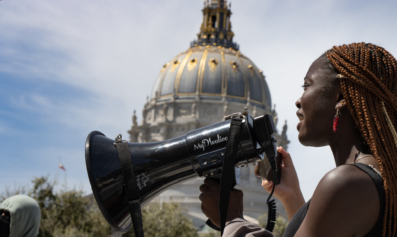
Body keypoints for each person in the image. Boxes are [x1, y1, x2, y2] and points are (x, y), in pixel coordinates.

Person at [199, 42, 397, 236]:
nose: (298, 100)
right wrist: (291, 196)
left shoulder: (346, 183)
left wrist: (231, 219)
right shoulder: (374, 180)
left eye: (306, 86)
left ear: (340, 98)